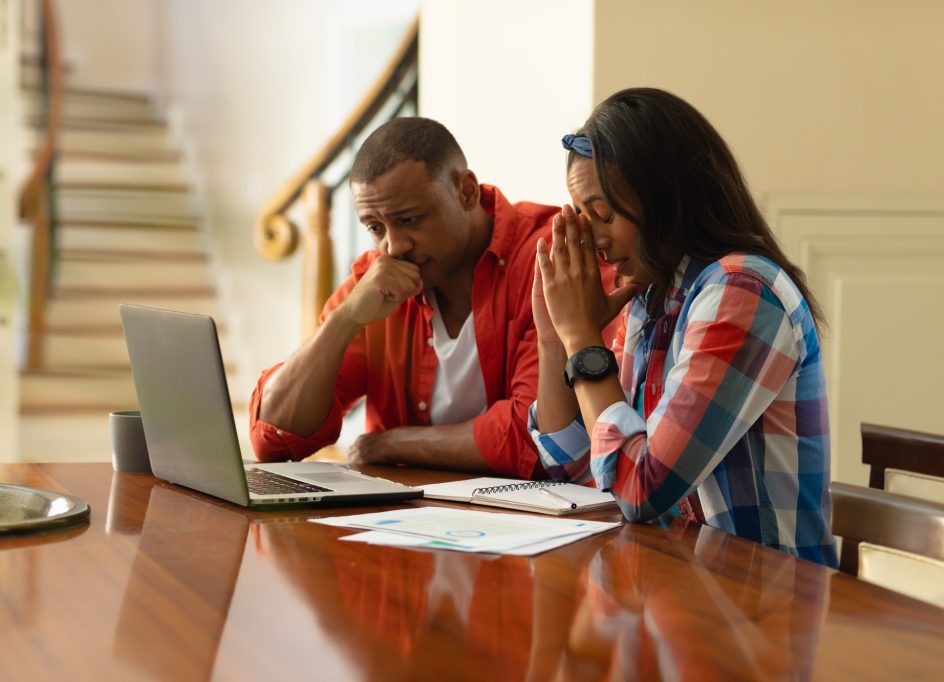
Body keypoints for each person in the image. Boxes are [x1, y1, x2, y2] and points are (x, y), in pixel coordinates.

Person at [529, 88, 836, 566]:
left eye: (604, 215)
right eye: (584, 218)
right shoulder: (653, 297)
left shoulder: (742, 292)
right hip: (677, 589)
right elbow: (574, 468)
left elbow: (640, 487)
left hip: (759, 612)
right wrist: (555, 340)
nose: (597, 243)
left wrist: (582, 340)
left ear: (666, 197)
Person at [250, 116, 564, 477]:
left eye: (411, 219)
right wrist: (345, 318)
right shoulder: (375, 279)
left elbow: (534, 436)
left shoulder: (550, 258)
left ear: (466, 191)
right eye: (375, 228)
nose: (394, 246)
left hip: (537, 524)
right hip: (405, 523)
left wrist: (391, 443)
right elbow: (274, 438)